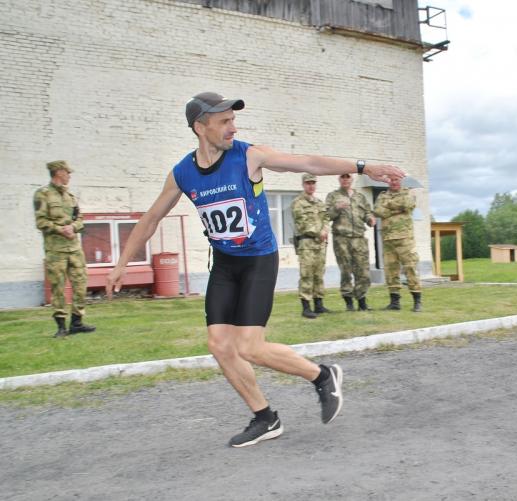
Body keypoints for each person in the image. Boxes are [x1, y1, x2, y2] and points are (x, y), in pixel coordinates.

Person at [106, 92, 405, 447]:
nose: (234, 127)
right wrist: (122, 263)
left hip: (258, 261)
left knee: (249, 346)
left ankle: (323, 375)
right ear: (201, 128)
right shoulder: (183, 173)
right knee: (219, 345)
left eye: (234, 120)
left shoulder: (249, 155)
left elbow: (306, 162)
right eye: (225, 122)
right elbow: (152, 218)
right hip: (225, 264)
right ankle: (265, 418)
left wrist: (362, 167)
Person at [34, 161, 96, 338]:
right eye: (67, 172)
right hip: (55, 251)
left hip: (74, 249)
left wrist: (73, 227)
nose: (69, 175)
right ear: (59, 172)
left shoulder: (71, 197)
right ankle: (61, 326)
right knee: (58, 288)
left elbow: (80, 219)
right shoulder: (42, 194)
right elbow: (40, 222)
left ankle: (77, 322)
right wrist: (60, 229)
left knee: (81, 284)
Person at [325, 173, 376, 311]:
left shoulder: (360, 197)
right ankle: (349, 303)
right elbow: (326, 215)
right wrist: (337, 208)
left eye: (348, 177)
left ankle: (362, 302)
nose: (345, 179)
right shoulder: (333, 196)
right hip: (342, 239)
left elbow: (367, 212)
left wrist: (370, 219)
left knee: (363, 271)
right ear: (339, 179)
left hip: (359, 238)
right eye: (343, 177)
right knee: (346, 271)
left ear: (352, 179)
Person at [373, 176, 422, 312]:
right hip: (388, 239)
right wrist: (398, 208)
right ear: (388, 181)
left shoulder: (407, 193)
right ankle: (395, 302)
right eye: (391, 180)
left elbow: (408, 205)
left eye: (396, 180)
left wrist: (389, 207)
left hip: (405, 239)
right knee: (390, 270)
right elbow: (377, 211)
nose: (394, 182)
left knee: (410, 268)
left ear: (400, 181)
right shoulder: (382, 195)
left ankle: (417, 301)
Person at [291, 173, 330, 319]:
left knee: (319, 274)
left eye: (313, 183)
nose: (311, 185)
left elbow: (326, 218)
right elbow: (301, 223)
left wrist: (325, 230)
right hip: (306, 244)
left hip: (320, 244)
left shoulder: (320, 203)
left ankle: (319, 304)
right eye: (308, 183)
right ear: (303, 184)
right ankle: (306, 307)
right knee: (306, 274)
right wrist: (318, 232)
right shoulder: (298, 203)